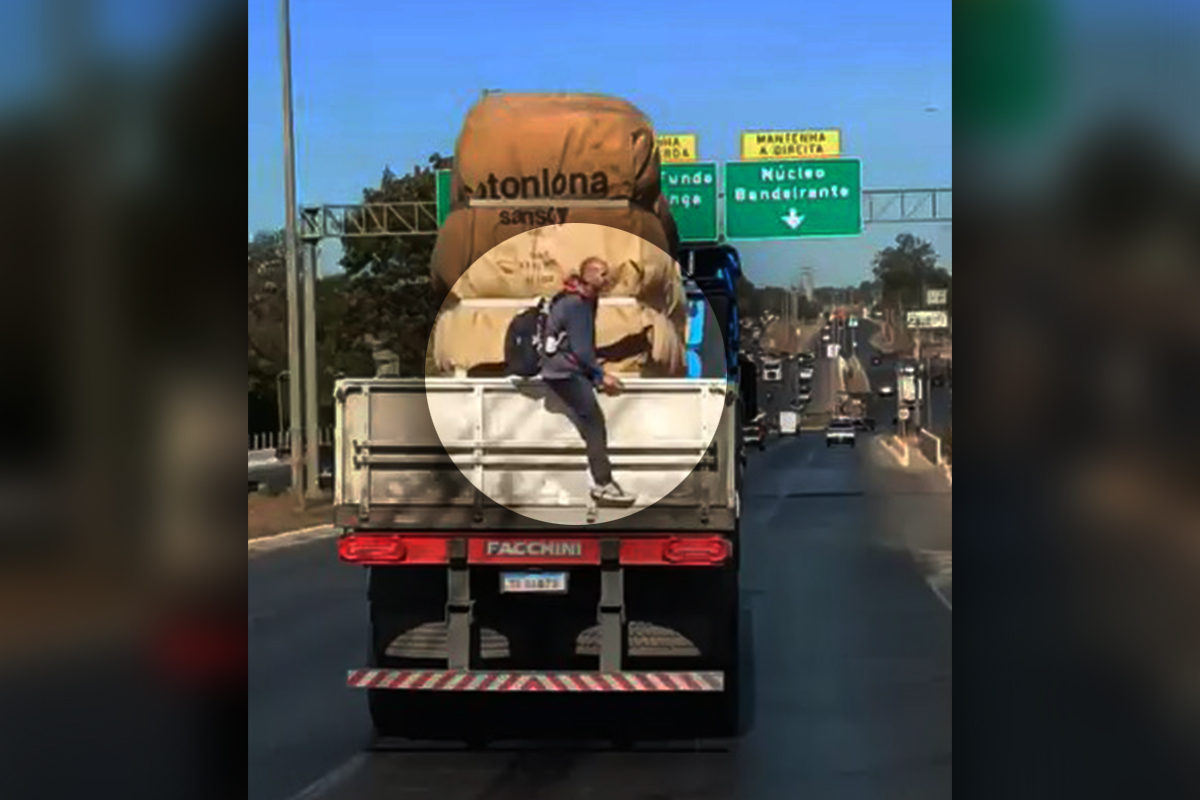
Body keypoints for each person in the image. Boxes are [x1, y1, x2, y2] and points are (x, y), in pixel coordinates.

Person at [540, 257, 635, 505]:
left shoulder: (577, 298)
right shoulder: (577, 304)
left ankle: (602, 481)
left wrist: (594, 375)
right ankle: (603, 483)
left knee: (588, 416)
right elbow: (582, 350)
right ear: (589, 275)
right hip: (563, 372)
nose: (606, 279)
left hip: (561, 367)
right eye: (602, 274)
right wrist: (602, 376)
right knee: (594, 421)